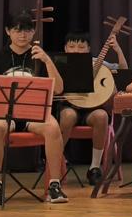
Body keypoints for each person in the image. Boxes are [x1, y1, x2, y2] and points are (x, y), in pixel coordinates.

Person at [0, 11, 69, 204]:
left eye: (27, 30)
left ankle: (54, 185)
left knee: (53, 128)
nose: (22, 35)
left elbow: (59, 89)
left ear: (33, 31)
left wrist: (47, 60)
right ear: (8, 31)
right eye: (17, 30)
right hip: (3, 114)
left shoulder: (40, 56)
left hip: (33, 114)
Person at [54, 29, 128, 187]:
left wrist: (118, 50)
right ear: (65, 48)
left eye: (81, 47)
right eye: (72, 47)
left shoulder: (97, 63)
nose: (76, 50)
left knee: (102, 116)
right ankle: (56, 160)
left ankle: (94, 168)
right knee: (67, 116)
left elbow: (123, 72)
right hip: (70, 106)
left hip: (93, 108)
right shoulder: (60, 63)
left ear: (88, 49)